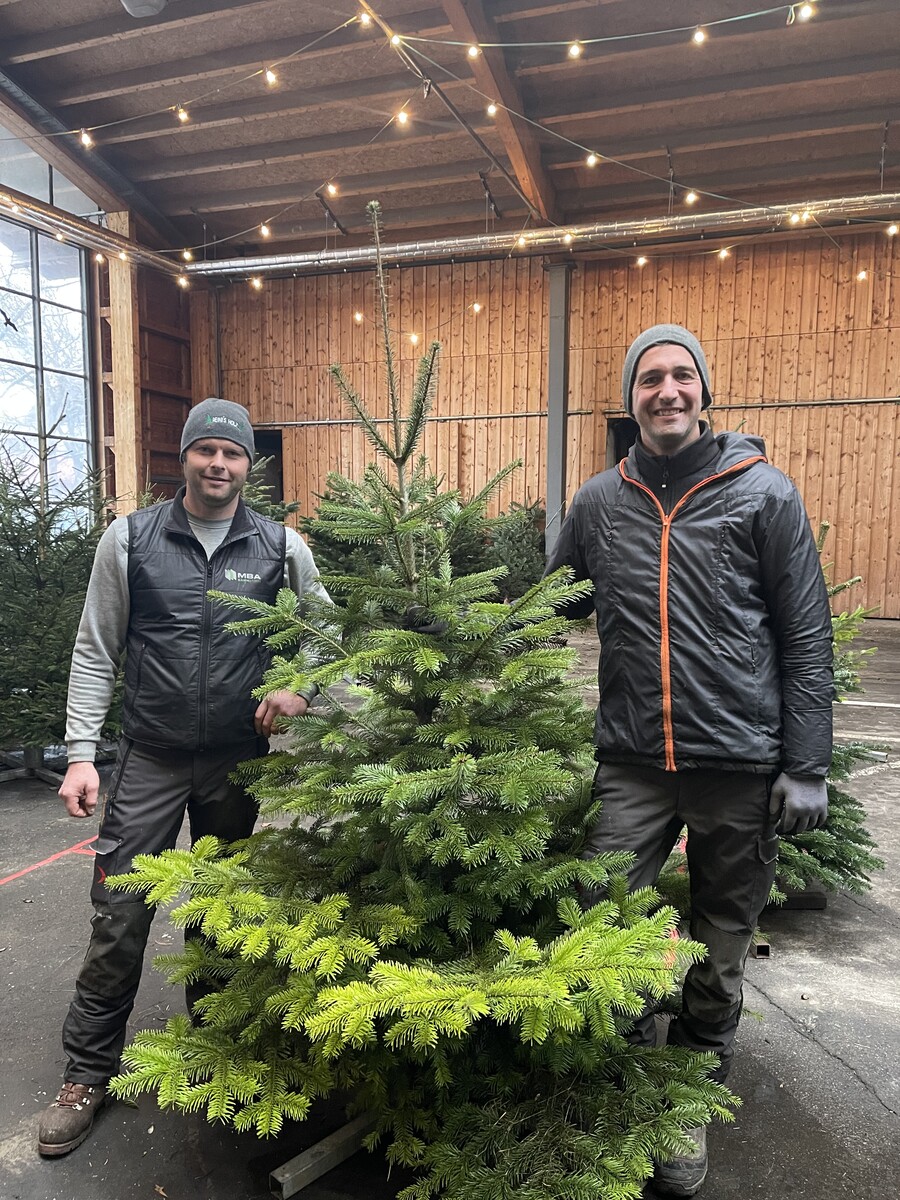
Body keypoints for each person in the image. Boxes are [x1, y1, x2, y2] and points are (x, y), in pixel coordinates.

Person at [545, 325, 833, 1197]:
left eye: (680, 376)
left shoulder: (763, 495)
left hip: (740, 760)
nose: (666, 391)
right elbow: (550, 602)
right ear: (630, 398)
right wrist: (462, 642)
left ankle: (694, 1078)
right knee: (610, 914)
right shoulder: (600, 501)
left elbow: (806, 635)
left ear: (704, 390)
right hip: (633, 758)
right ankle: (634, 1071)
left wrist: (807, 764)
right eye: (649, 379)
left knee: (724, 928)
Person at [38, 398, 330, 1157]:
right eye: (205, 451)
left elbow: (326, 631)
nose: (218, 465)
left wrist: (298, 686)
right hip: (151, 757)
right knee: (121, 910)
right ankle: (87, 1073)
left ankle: (215, 1050)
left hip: (238, 759)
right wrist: (79, 752)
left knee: (222, 910)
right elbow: (96, 648)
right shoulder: (131, 539)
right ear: (185, 458)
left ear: (247, 466)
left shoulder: (280, 546)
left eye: (231, 455)